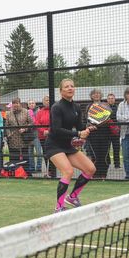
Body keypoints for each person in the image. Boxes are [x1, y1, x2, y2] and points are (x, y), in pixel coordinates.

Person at [44, 79, 96, 213]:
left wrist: (87, 129)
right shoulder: (56, 107)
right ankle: (59, 207)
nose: (70, 88)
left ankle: (72, 197)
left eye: (72, 86)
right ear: (61, 91)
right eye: (66, 87)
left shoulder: (77, 108)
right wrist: (79, 133)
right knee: (68, 171)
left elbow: (80, 128)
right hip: (54, 145)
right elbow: (56, 130)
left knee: (90, 169)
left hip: (67, 146)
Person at [85, 89, 111, 179]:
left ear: (101, 95)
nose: (96, 95)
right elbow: (87, 120)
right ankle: (95, 174)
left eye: (98, 93)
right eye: (94, 94)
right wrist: (90, 126)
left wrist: (99, 124)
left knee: (104, 155)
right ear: (91, 96)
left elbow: (108, 118)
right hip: (93, 135)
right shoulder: (88, 106)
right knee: (95, 155)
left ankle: (103, 174)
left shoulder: (105, 105)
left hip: (105, 134)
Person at [5, 97, 32, 164]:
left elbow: (31, 123)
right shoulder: (8, 113)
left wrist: (25, 129)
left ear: (20, 103)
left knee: (25, 157)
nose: (15, 105)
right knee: (14, 157)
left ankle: (26, 172)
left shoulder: (26, 111)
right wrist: (9, 134)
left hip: (24, 138)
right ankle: (16, 172)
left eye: (17, 103)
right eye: (14, 103)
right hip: (13, 139)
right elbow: (6, 126)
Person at [34, 96, 54, 178]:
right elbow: (37, 123)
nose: (48, 101)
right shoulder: (40, 112)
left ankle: (53, 171)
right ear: (43, 102)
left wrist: (49, 131)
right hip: (42, 136)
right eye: (46, 100)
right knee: (46, 154)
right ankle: (48, 171)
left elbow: (56, 122)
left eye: (49, 100)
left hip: (53, 135)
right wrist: (43, 131)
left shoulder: (54, 111)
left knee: (53, 153)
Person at [106, 93, 121, 169]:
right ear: (107, 100)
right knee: (106, 149)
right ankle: (107, 163)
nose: (111, 100)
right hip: (107, 132)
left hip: (115, 132)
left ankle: (117, 164)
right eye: (109, 98)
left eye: (112, 98)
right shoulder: (104, 108)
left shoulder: (118, 108)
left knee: (116, 148)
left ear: (114, 100)